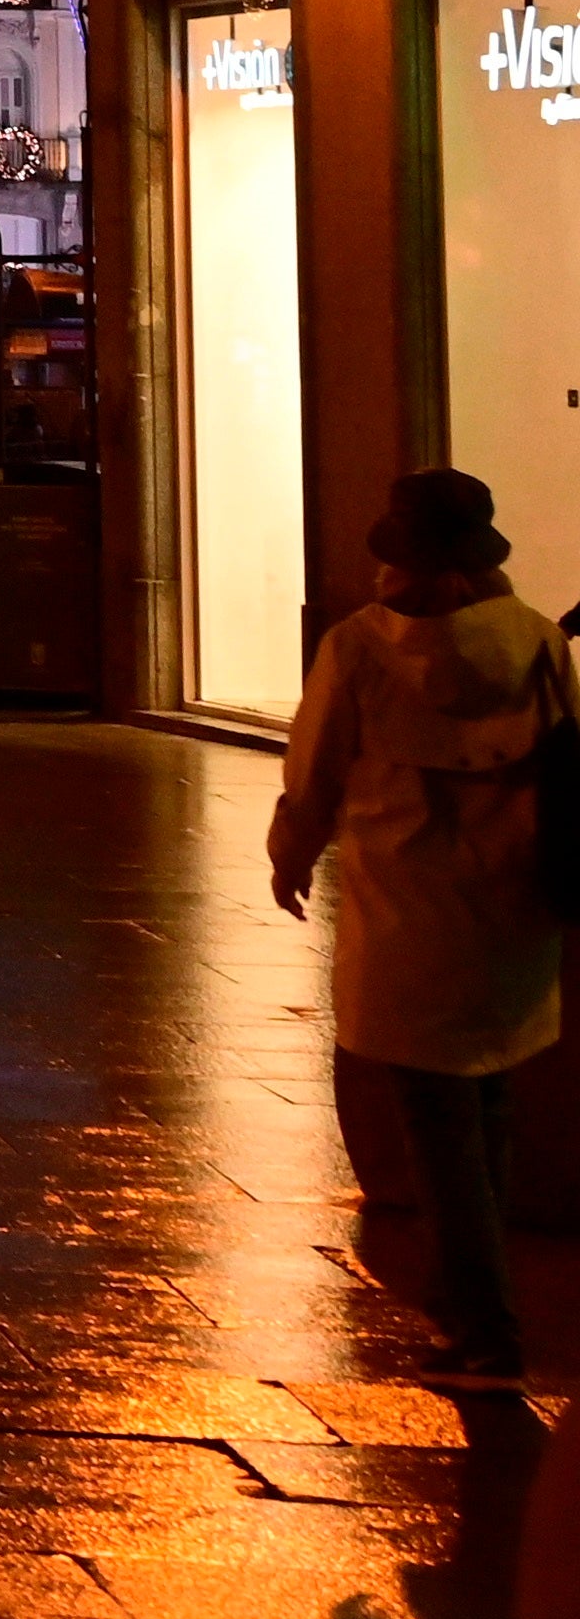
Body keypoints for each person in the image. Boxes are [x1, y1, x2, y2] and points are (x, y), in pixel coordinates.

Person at [273, 472, 564, 1374]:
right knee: (488, 1106)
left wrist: (291, 852)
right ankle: (464, 1298)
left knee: (437, 1126)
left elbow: (315, 769)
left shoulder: (358, 649)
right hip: (512, 904)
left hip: (407, 914)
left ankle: (484, 1327)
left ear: (406, 564)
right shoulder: (539, 639)